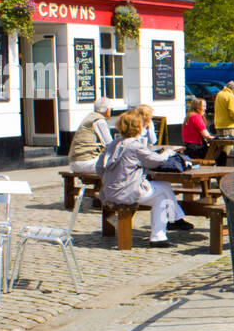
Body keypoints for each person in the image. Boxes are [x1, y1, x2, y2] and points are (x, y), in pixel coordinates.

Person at [95, 109, 193, 248]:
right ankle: (175, 219)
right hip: (128, 192)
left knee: (161, 197)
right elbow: (156, 161)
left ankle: (159, 236)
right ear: (138, 127)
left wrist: (109, 179)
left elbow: (99, 167)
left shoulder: (113, 144)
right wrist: (167, 153)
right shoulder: (135, 145)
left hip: (109, 191)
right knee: (164, 186)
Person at [68, 98, 113, 177]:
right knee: (117, 166)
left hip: (74, 162)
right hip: (86, 162)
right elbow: (110, 144)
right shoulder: (99, 120)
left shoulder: (90, 117)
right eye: (110, 108)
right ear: (107, 110)